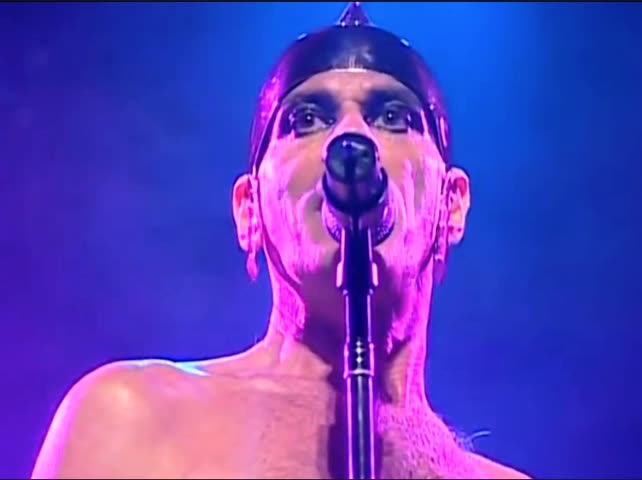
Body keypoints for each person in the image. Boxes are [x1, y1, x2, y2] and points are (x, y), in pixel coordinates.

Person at [31, 3, 531, 479]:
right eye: (306, 119)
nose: (351, 138)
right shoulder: (133, 419)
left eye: (393, 117)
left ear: (451, 204)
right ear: (249, 209)